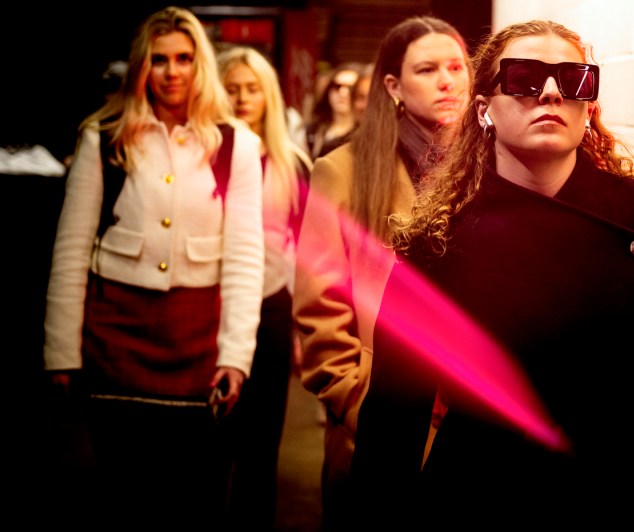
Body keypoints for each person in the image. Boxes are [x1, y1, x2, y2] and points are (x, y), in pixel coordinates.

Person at [350, 19, 634, 531]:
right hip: (478, 501)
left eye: (573, 79)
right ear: (484, 110)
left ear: (588, 107)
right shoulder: (438, 241)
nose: (550, 91)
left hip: (615, 500)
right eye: (524, 77)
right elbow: (395, 411)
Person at [42, 6, 264, 527]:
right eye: (159, 59)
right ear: (143, 65)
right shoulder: (103, 136)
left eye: (184, 58)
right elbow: (71, 251)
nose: (172, 71)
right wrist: (60, 354)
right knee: (123, 493)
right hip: (114, 337)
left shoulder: (236, 143)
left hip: (197, 340)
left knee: (193, 495)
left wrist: (236, 356)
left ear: (200, 65)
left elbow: (245, 256)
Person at [292, 15, 470, 530]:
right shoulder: (343, 171)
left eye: (457, 66)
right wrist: (364, 407)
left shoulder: (491, 167)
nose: (447, 81)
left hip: (473, 434)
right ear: (392, 85)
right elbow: (320, 311)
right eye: (428, 69)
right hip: (376, 423)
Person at [217, 44, 312, 528]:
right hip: (214, 305)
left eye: (252, 89)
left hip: (274, 305)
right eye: (232, 88)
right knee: (213, 437)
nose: (241, 97)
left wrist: (299, 327)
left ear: (268, 96)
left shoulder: (291, 162)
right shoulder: (207, 154)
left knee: (262, 438)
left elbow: (303, 247)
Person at [305, 62, 363, 159]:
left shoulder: (364, 136)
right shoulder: (311, 131)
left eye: (351, 88)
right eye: (337, 86)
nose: (343, 92)